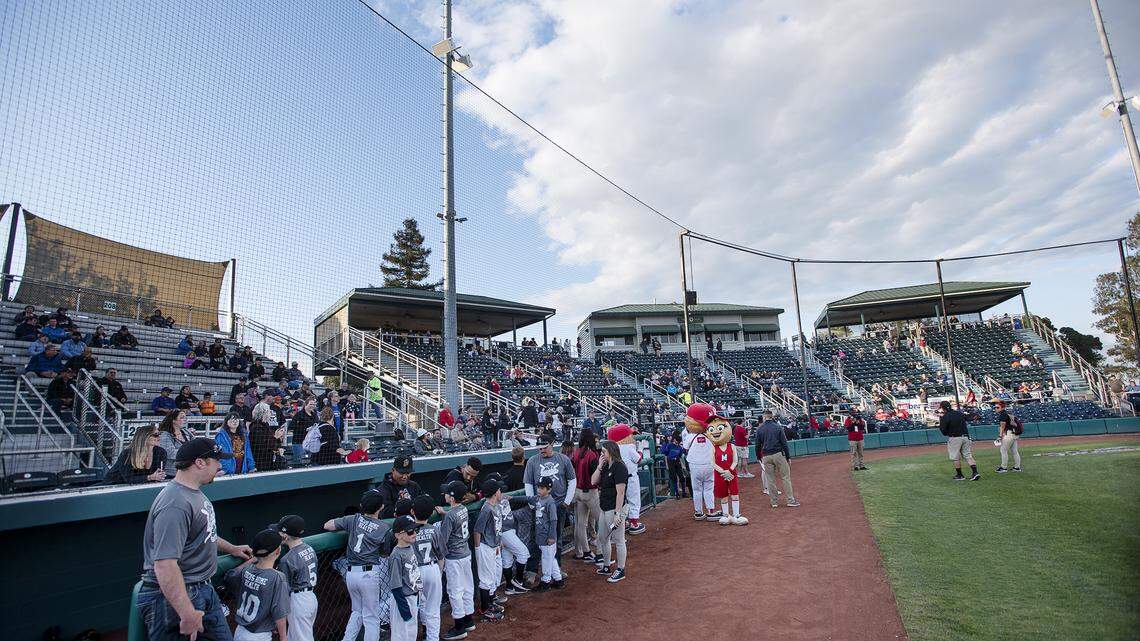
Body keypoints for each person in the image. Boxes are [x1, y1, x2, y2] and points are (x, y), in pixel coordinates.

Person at [135, 438, 253, 641]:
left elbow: (204, 534)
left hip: (201, 589)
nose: (219, 465)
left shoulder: (192, 494)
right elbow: (164, 564)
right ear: (199, 462)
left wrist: (231, 548)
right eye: (216, 460)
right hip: (176, 599)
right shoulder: (175, 502)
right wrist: (186, 611)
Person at [324, 493, 390, 641]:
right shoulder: (384, 527)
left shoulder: (353, 519)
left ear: (362, 506)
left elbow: (327, 525)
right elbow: (385, 554)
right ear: (381, 507)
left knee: (357, 612)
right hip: (369, 574)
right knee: (371, 617)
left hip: (351, 574)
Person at [223, 529, 290, 641]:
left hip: (239, 631)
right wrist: (283, 637)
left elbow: (230, 576)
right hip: (259, 635)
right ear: (278, 551)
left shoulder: (246, 570)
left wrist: (250, 561)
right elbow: (279, 612)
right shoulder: (277, 577)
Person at [438, 480, 476, 640]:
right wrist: (445, 513)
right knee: (467, 587)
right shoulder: (463, 509)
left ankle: (459, 626)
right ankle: (468, 620)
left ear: (452, 498)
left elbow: (443, 540)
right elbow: (455, 517)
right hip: (466, 554)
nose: (445, 494)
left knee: (455, 591)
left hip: (454, 558)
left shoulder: (451, 516)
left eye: (447, 493)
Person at [523, 434, 576, 549]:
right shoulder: (532, 461)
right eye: (539, 448)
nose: (541, 450)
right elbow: (528, 483)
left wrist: (566, 502)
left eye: (544, 447)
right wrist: (532, 503)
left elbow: (572, 480)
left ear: (552, 444)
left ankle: (556, 563)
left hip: (559, 504)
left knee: (557, 536)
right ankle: (537, 563)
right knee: (536, 535)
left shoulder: (563, 459)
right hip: (539, 505)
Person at [273, 515, 318, 641]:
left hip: (298, 600)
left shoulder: (287, 559)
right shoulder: (310, 548)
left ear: (285, 536)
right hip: (311, 598)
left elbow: (283, 590)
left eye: (280, 532)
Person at [592, 439, 629, 583]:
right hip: (604, 507)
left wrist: (617, 514)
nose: (601, 454)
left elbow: (620, 493)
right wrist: (599, 466)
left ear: (611, 452)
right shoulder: (605, 465)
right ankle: (607, 566)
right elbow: (593, 481)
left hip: (615, 508)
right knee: (603, 538)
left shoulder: (620, 467)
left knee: (619, 540)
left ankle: (621, 569)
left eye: (603, 452)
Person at [409, 496, 445, 641]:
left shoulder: (408, 532)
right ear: (431, 514)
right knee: (433, 609)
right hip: (432, 568)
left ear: (412, 512)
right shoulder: (434, 530)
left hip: (413, 572)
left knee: (414, 607)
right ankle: (432, 638)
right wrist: (439, 573)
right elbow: (441, 556)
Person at [472, 479, 506, 622]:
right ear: (495, 493)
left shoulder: (496, 506)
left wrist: (498, 544)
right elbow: (477, 531)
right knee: (486, 579)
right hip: (485, 547)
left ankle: (490, 604)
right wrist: (479, 549)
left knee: (492, 577)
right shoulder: (486, 509)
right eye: (499, 490)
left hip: (493, 546)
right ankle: (485, 609)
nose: (501, 492)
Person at [387, 516, 425, 641]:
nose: (414, 533)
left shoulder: (410, 547)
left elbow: (415, 575)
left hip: (413, 598)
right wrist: (404, 609)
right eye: (410, 531)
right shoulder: (396, 556)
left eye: (415, 530)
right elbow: (395, 586)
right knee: (401, 636)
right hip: (402, 601)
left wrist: (418, 598)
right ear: (398, 535)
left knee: (411, 635)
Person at [757, 410, 799, 508]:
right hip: (778, 454)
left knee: (770, 479)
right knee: (785, 477)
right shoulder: (778, 427)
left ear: (764, 417)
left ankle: (774, 502)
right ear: (772, 417)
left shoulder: (760, 429)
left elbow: (757, 445)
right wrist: (788, 457)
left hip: (766, 456)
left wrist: (759, 457)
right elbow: (784, 443)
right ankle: (790, 500)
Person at [571, 430, 602, 561]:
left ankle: (584, 552)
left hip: (577, 491)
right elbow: (596, 477)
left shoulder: (576, 453)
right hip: (590, 492)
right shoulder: (591, 455)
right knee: (602, 522)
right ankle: (600, 552)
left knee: (580, 524)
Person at [938, 400, 979, 481]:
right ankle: (975, 472)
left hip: (955, 438)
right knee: (968, 455)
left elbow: (943, 431)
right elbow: (969, 417)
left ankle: (960, 475)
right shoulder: (959, 413)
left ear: (942, 408)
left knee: (955, 457)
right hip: (966, 436)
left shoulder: (945, 417)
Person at [156, 409, 195, 478]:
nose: (185, 420)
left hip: (187, 470)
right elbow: (171, 454)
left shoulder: (186, 432)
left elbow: (196, 445)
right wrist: (191, 452)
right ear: (173, 420)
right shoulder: (164, 435)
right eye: (182, 418)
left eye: (185, 417)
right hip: (171, 473)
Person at [248, 404, 286, 472]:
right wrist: (276, 436)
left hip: (268, 460)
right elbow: (263, 445)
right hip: (260, 462)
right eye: (269, 411)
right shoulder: (256, 427)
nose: (270, 413)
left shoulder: (265, 425)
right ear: (264, 412)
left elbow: (271, 443)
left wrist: (278, 447)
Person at [994, 401, 1023, 473]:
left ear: (1003, 407)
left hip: (1009, 434)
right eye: (995, 407)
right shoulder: (1007, 413)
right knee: (1014, 451)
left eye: (998, 407)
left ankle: (1004, 468)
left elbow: (1002, 427)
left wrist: (1000, 436)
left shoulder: (1003, 415)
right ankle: (1017, 467)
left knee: (1003, 450)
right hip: (1014, 433)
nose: (996, 409)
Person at [660, 431, 688, 499]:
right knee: (674, 478)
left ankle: (684, 493)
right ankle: (677, 493)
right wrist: (667, 465)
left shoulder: (679, 447)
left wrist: (683, 466)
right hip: (671, 462)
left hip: (677, 462)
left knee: (681, 477)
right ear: (675, 439)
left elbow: (681, 456)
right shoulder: (669, 445)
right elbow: (665, 454)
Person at [289, 398, 318, 462]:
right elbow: (291, 427)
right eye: (310, 404)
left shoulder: (314, 415)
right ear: (306, 404)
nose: (312, 406)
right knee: (299, 461)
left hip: (311, 442)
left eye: (314, 405)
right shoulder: (299, 414)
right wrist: (305, 429)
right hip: (299, 442)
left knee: (310, 462)